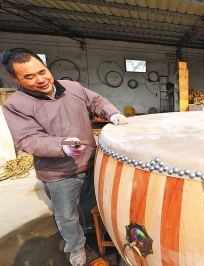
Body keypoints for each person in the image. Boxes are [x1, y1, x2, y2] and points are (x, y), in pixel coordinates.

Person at [0, 47, 129, 266]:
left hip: (89, 162)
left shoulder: (72, 87)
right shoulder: (15, 105)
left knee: (91, 205)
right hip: (57, 172)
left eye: (42, 71)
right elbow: (27, 139)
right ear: (14, 78)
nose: (40, 80)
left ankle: (90, 231)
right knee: (67, 215)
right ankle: (76, 246)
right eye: (29, 77)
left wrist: (112, 113)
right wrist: (62, 146)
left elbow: (96, 101)